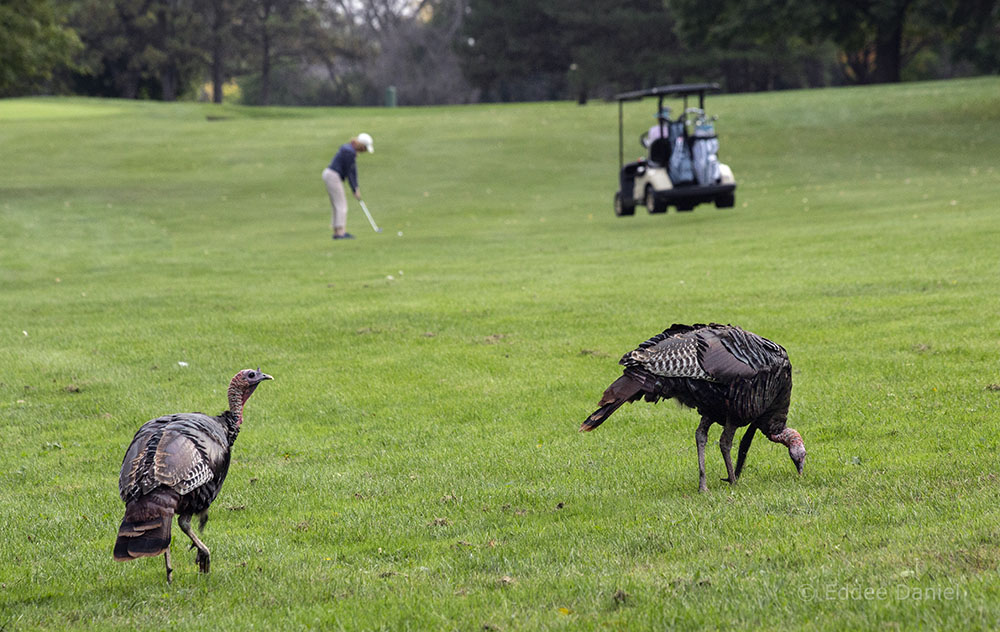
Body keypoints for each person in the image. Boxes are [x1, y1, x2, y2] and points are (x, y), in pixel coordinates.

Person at [322, 133, 374, 240]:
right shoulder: (349, 152)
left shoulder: (349, 149)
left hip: (330, 175)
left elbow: (351, 171)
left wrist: (355, 187)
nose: (365, 151)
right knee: (341, 204)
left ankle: (337, 231)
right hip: (333, 176)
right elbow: (350, 172)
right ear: (362, 146)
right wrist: (355, 188)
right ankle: (340, 232)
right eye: (365, 148)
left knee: (337, 204)